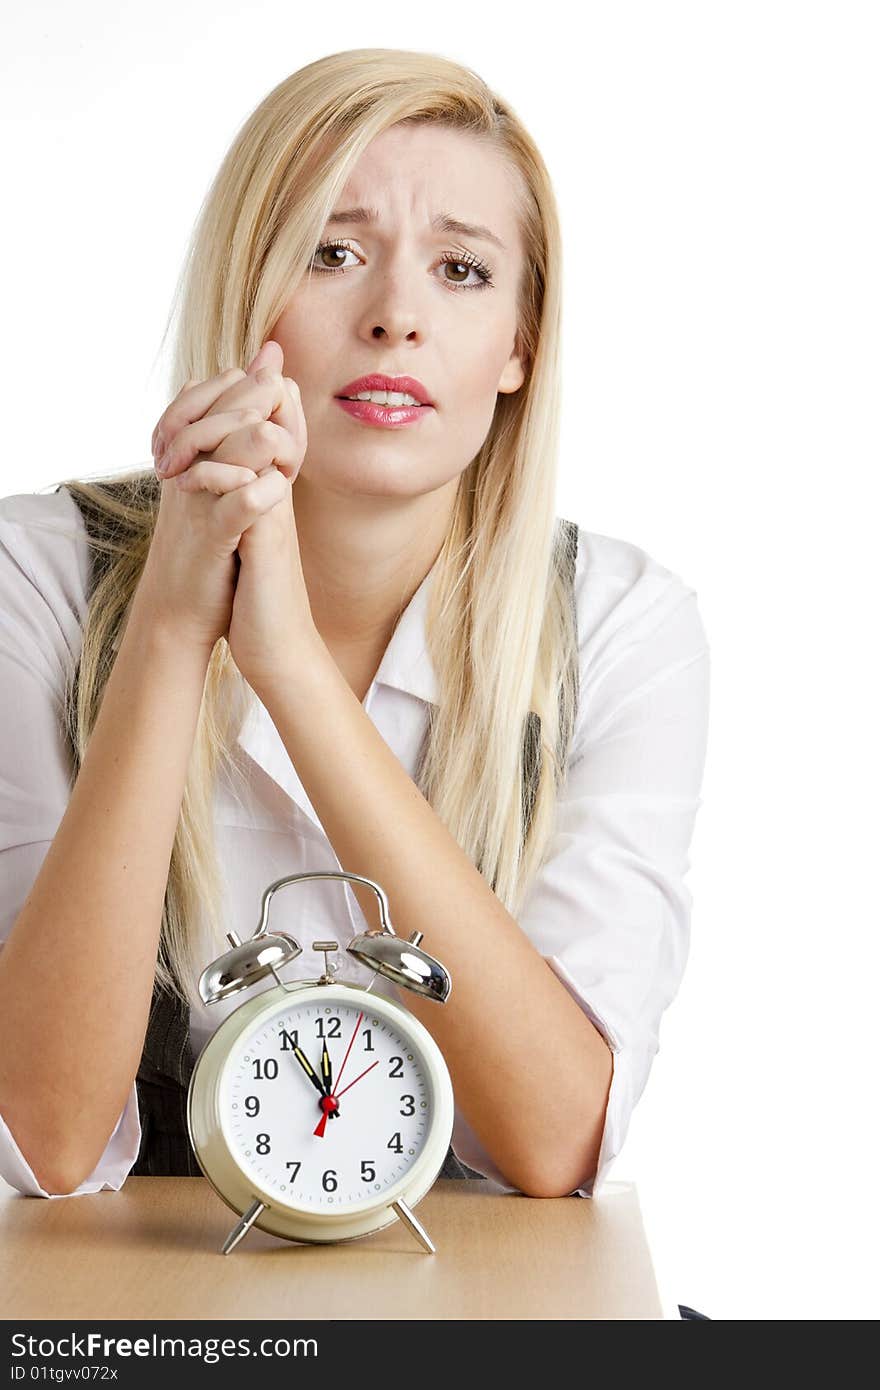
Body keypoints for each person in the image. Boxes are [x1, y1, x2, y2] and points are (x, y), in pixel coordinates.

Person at [0, 47, 710, 1227]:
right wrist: (176, 625)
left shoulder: (621, 624)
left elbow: (553, 1141)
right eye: (332, 253)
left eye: (461, 270)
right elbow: (45, 1139)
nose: (393, 315)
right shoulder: (42, 577)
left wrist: (291, 676)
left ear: (521, 344)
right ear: (247, 295)